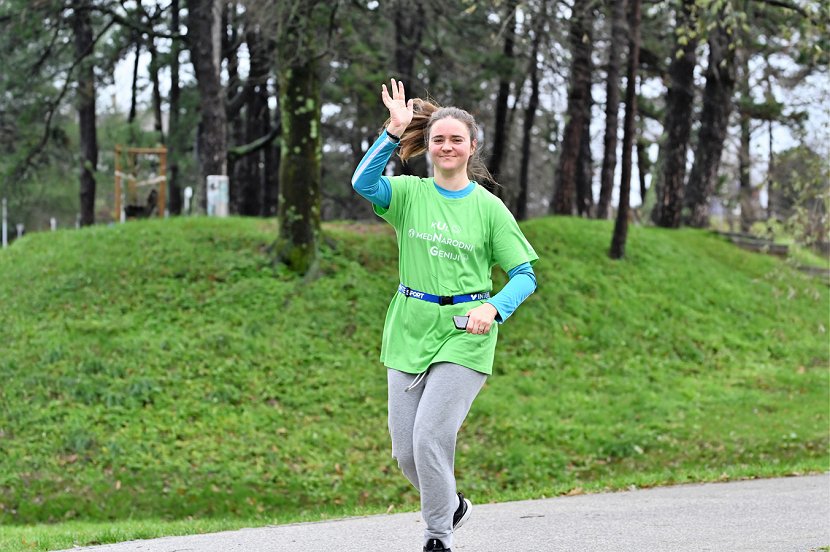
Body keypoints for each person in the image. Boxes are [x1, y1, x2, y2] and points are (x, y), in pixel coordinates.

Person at [351, 79, 539, 552]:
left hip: (465, 331)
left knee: (430, 438)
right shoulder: (408, 195)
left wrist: (493, 307)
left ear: (472, 146)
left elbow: (524, 276)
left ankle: (438, 535)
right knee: (405, 451)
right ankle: (451, 504)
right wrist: (392, 133)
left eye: (457, 139)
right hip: (410, 326)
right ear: (430, 147)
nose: (447, 146)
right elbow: (363, 183)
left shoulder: (489, 209)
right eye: (439, 139)